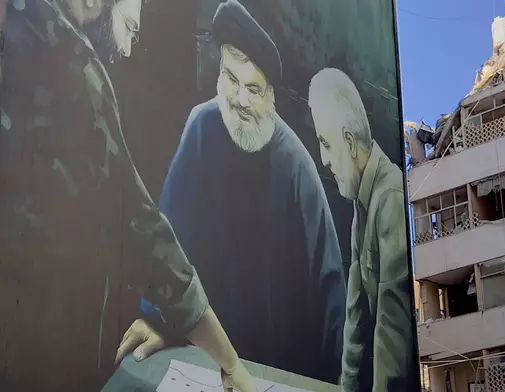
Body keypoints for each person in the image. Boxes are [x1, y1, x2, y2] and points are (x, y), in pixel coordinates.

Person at [0, 1, 252, 391]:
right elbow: (140, 230)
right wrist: (230, 362)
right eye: (130, 29)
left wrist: (157, 323)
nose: (129, 50)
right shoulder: (69, 62)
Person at [134, 0, 347, 384]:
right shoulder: (201, 127)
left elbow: (330, 289)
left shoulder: (297, 167)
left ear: (271, 97)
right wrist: (155, 320)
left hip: (276, 369)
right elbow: (168, 236)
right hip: (199, 358)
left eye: (253, 88)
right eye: (230, 80)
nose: (240, 99)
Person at [308, 68, 416, 391]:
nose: (323, 159)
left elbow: (391, 332)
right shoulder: (362, 204)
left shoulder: (391, 198)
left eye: (325, 144)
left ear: (349, 143)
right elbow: (355, 313)